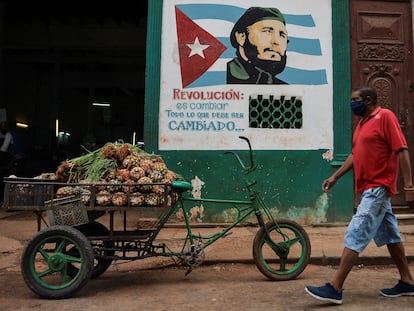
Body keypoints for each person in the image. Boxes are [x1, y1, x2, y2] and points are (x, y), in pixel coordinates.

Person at [305, 86, 414, 305]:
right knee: (391, 236)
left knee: (356, 232)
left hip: (378, 188)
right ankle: (407, 281)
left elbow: (401, 149)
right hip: (368, 188)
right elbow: (356, 155)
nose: (352, 104)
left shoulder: (385, 116)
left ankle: (335, 287)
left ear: (369, 100)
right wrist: (335, 176)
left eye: (355, 100)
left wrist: (409, 187)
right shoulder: (362, 124)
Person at [227, 7, 288, 84]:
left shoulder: (284, 88)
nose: (276, 41)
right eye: (267, 31)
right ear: (241, 37)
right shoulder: (224, 77)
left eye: (282, 35)